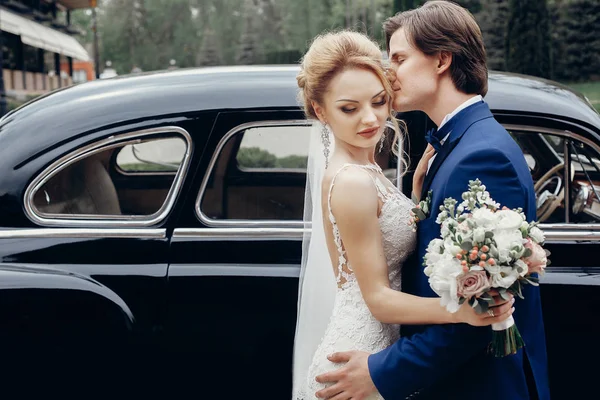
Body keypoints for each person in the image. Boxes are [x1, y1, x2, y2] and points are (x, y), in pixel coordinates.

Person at [312, 2, 550, 400]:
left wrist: (383, 373)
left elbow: (485, 306)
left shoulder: (480, 157)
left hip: (478, 385)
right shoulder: (459, 146)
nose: (389, 73)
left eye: (400, 58)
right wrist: (419, 200)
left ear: (441, 60)